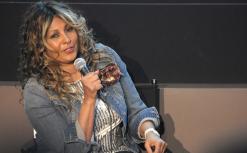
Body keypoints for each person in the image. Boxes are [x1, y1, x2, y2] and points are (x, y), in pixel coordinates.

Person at [18, 1, 167, 153]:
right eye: (55, 35)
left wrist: (150, 133)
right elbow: (69, 149)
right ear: (40, 46)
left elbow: (136, 110)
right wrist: (88, 98)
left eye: (69, 29)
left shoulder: (104, 56)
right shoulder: (37, 91)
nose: (67, 39)